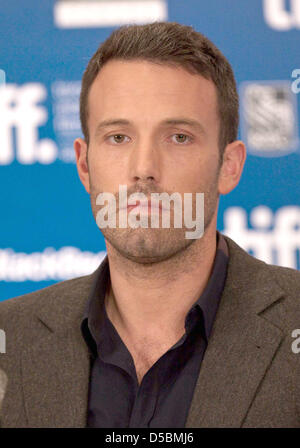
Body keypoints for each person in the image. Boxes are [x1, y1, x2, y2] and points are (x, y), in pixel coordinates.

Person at [0, 21, 299, 428]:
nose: (144, 170)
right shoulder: (8, 338)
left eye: (178, 137)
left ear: (229, 166)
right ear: (85, 166)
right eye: (119, 137)